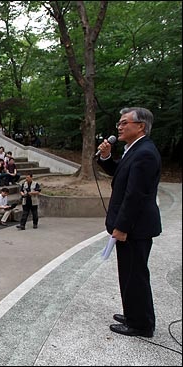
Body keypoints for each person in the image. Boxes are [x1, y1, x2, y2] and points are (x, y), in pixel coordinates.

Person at [96, 107, 161, 338]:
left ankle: (141, 324)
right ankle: (134, 313)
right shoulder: (134, 150)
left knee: (135, 274)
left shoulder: (144, 153)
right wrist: (106, 157)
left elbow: (136, 195)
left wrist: (121, 227)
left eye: (125, 123)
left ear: (140, 126)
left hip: (134, 228)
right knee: (130, 273)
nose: (120, 127)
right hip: (133, 227)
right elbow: (121, 174)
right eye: (119, 124)